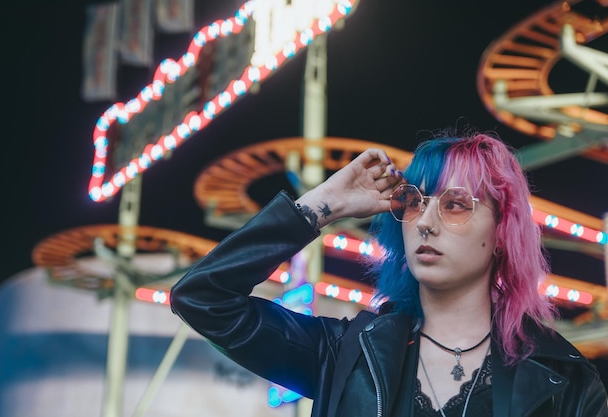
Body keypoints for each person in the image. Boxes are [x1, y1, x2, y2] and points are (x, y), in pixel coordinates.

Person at [170, 128, 608, 417]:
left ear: (501, 232)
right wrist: (322, 206)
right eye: (416, 201)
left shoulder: (563, 380)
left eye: (454, 204)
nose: (426, 221)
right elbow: (203, 299)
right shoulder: (344, 354)